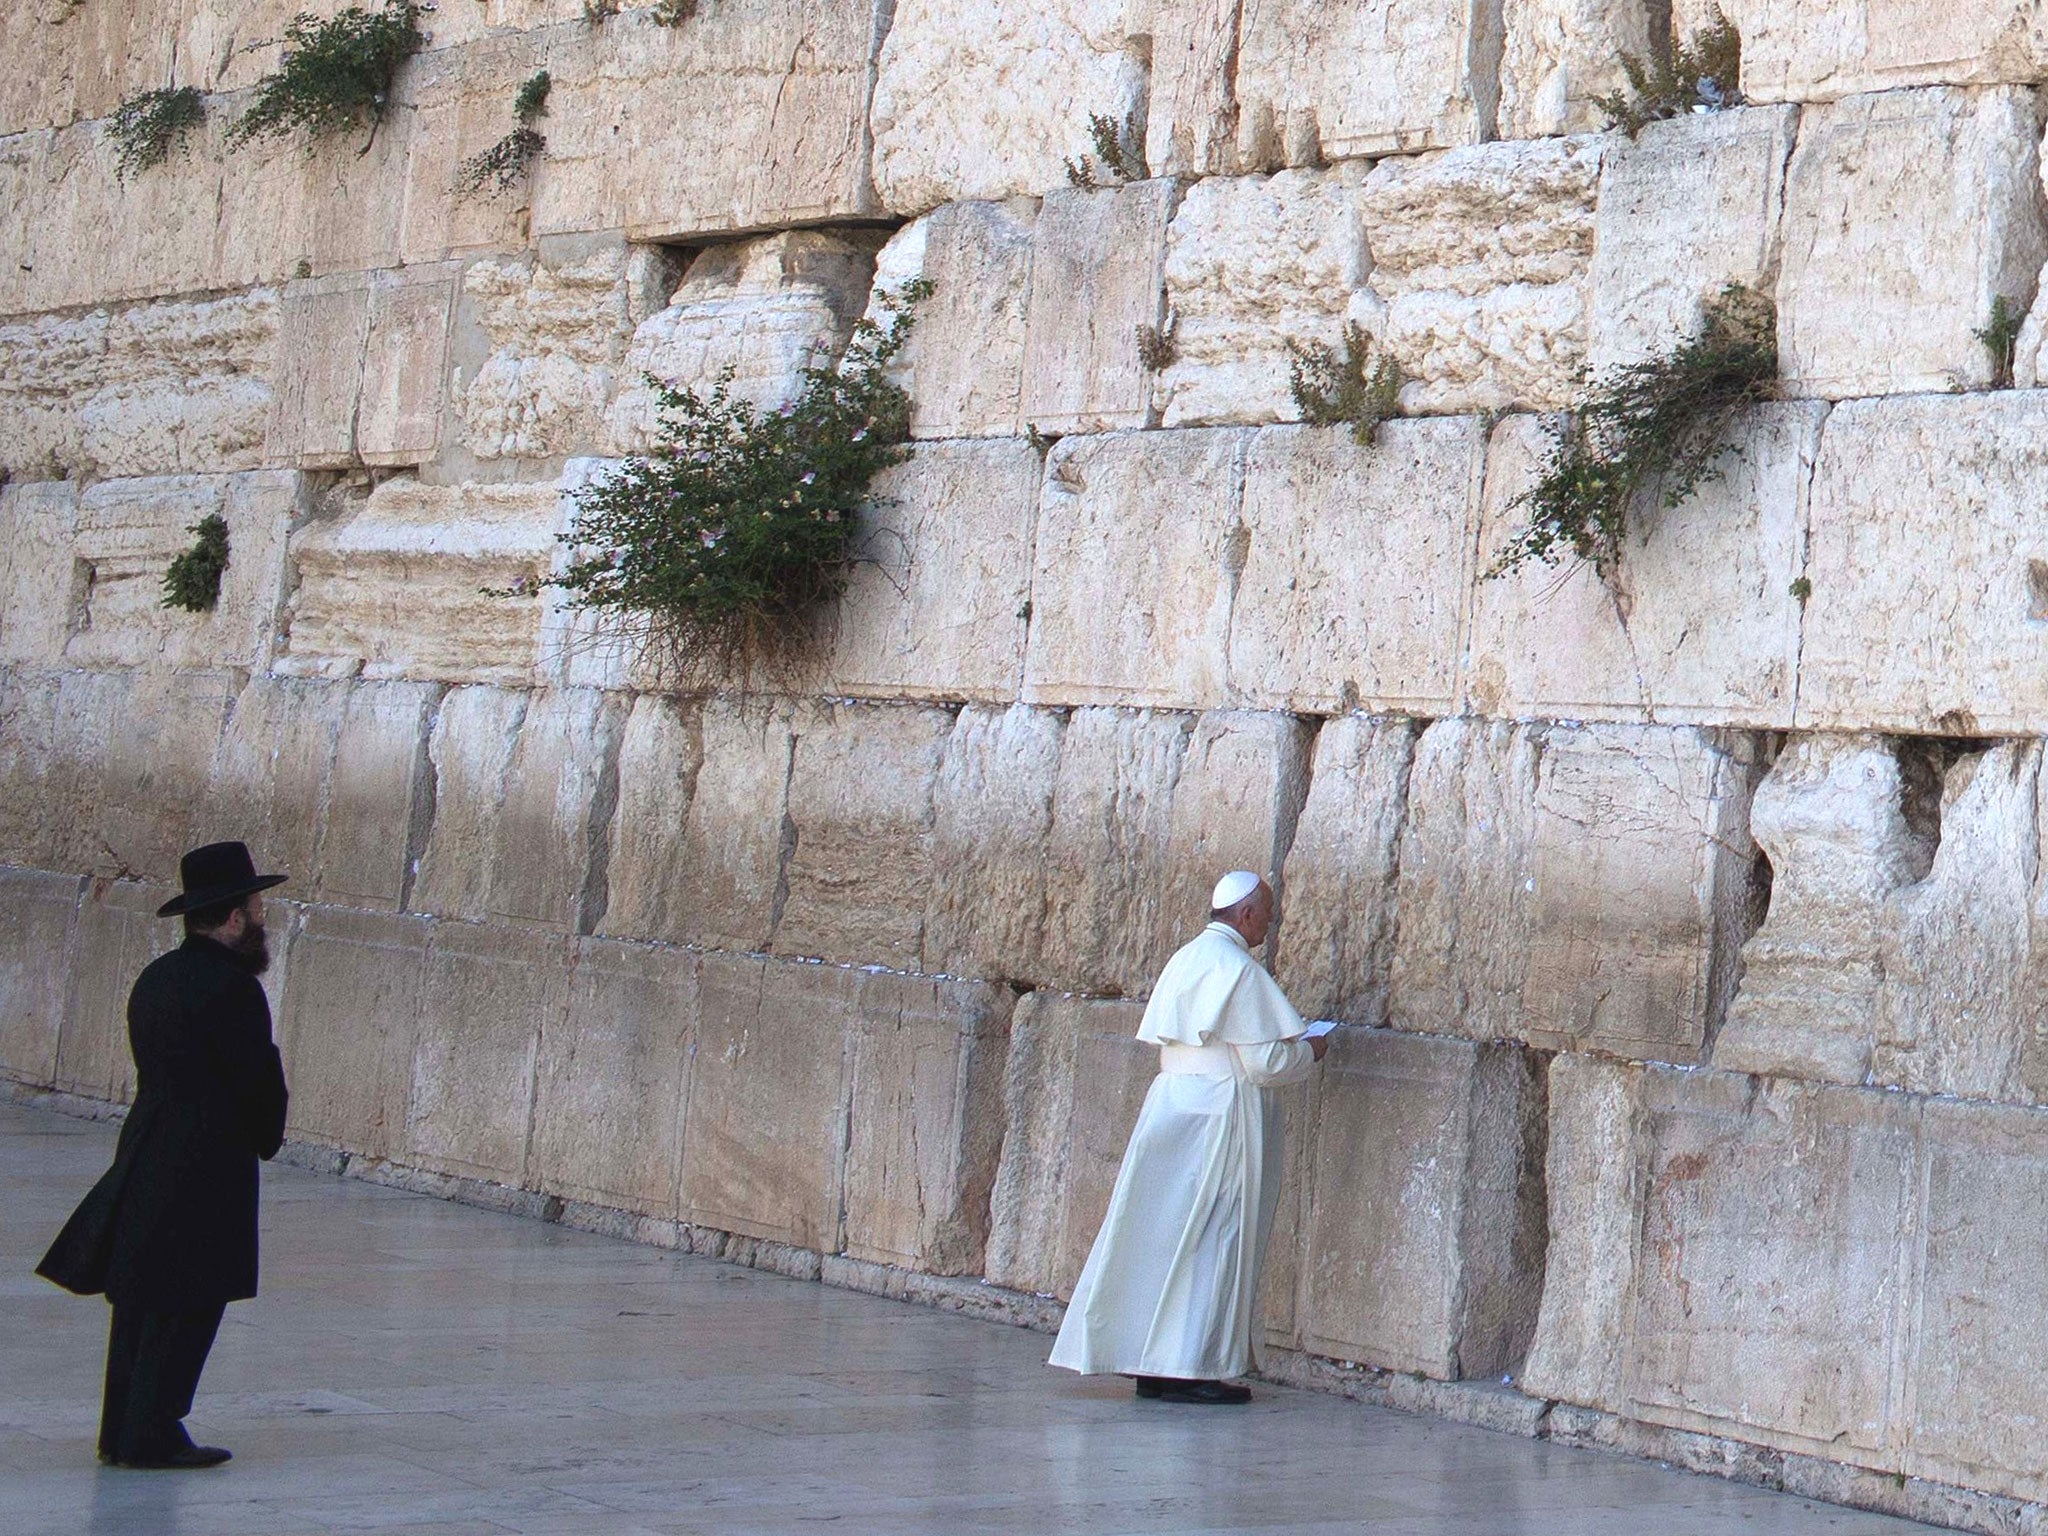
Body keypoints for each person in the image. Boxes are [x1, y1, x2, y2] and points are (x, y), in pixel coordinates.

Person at [37, 841, 290, 1470]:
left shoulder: (157, 979)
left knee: (142, 1294)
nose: (261, 918)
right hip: (208, 1163)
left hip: (148, 1145)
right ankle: (152, 1431)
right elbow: (256, 1080)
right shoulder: (232, 988)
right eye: (255, 907)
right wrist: (265, 1135)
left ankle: (121, 1427)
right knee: (190, 1299)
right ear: (232, 918)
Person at [1048, 870, 1328, 1405]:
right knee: (1214, 1239)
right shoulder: (1238, 971)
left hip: (1174, 1105)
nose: (1268, 925)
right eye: (1265, 915)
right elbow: (1267, 1062)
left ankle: (1154, 1365)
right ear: (1244, 915)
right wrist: (1311, 1050)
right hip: (1222, 1115)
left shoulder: (1186, 958)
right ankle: (1194, 1367)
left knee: (1163, 1235)